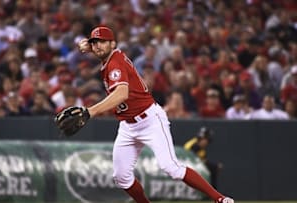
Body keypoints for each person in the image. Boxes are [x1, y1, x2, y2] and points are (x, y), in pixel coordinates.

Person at [77, 26, 234, 203]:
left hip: (150, 120)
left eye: (102, 42)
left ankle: (220, 199)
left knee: (171, 168)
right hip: (128, 125)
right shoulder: (109, 59)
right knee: (121, 176)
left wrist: (91, 111)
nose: (98, 46)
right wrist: (88, 46)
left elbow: (121, 94)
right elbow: (99, 50)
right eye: (94, 43)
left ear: (113, 43)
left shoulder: (115, 61)